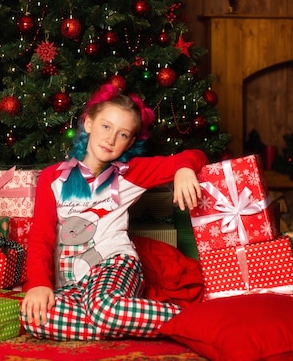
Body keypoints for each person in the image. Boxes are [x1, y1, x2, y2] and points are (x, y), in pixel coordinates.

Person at [20, 83, 208, 341]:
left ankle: (191, 319)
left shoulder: (130, 173)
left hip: (114, 265)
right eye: (106, 127)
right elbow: (41, 235)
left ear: (130, 141)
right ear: (88, 123)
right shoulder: (52, 178)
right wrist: (39, 284)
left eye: (122, 134)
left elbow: (195, 154)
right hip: (71, 282)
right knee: (35, 318)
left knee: (104, 308)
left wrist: (185, 168)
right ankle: (121, 322)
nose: (110, 139)